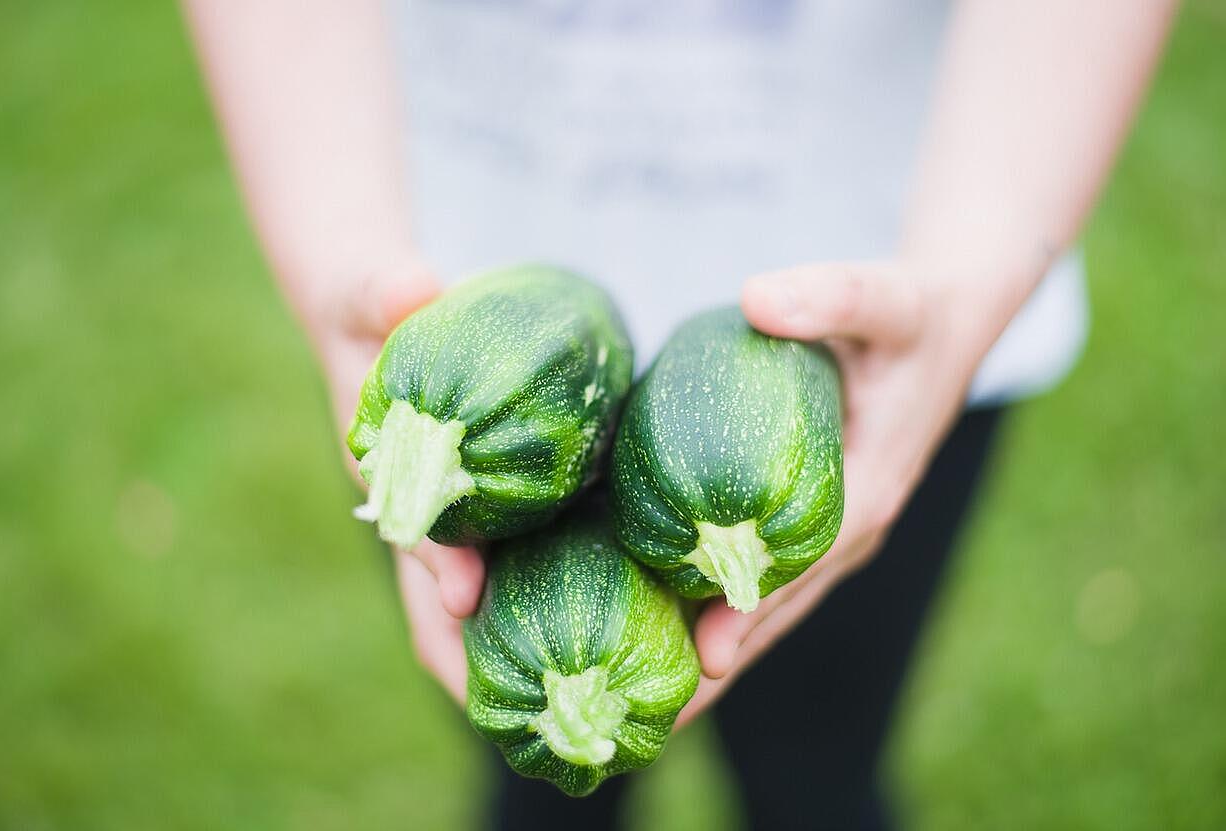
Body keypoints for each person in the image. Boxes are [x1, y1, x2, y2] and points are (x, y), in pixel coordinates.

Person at [184, 2, 1175, 828]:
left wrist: (968, 290)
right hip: (459, 295)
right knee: (540, 782)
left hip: (903, 293)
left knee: (816, 769)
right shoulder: (432, 401)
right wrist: (336, 255)